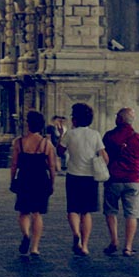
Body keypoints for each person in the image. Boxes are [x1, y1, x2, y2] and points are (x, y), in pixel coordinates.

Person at [10, 110, 60, 257]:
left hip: (24, 178)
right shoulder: (46, 144)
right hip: (40, 179)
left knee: (24, 212)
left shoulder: (19, 142)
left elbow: (14, 164)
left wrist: (13, 180)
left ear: (28, 125)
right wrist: (52, 182)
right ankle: (35, 247)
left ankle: (26, 234)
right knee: (37, 214)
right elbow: (51, 166)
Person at [101, 108, 139, 257]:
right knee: (132, 214)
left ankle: (114, 241)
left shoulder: (109, 136)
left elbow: (103, 156)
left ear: (119, 119)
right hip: (133, 180)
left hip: (113, 178)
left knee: (110, 211)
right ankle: (128, 247)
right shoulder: (138, 138)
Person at [60, 103, 106, 257]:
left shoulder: (70, 135)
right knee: (86, 212)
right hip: (90, 177)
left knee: (73, 209)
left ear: (74, 119)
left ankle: (76, 234)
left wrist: (62, 134)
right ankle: (85, 245)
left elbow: (59, 150)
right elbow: (104, 157)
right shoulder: (95, 135)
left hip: (73, 175)